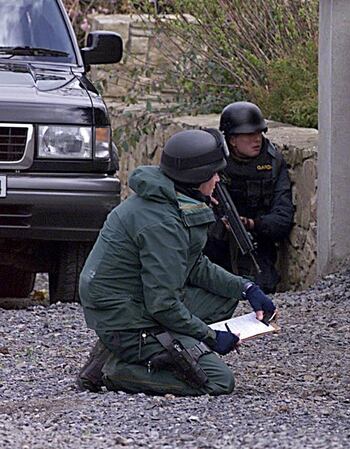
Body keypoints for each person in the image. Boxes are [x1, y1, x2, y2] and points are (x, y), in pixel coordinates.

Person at [76, 129, 277, 396]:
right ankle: (114, 369)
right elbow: (163, 303)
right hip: (126, 319)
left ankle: (140, 348)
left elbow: (194, 265)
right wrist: (211, 338)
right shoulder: (162, 222)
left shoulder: (172, 200)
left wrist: (246, 289)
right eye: (214, 173)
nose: (218, 179)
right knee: (219, 381)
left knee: (224, 297)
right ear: (195, 178)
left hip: (132, 305)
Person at [204, 101, 294, 294]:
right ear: (232, 139)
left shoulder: (273, 163)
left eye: (259, 133)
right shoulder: (213, 162)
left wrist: (251, 224)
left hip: (256, 240)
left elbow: (283, 217)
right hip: (216, 241)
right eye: (249, 135)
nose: (257, 140)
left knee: (264, 284)